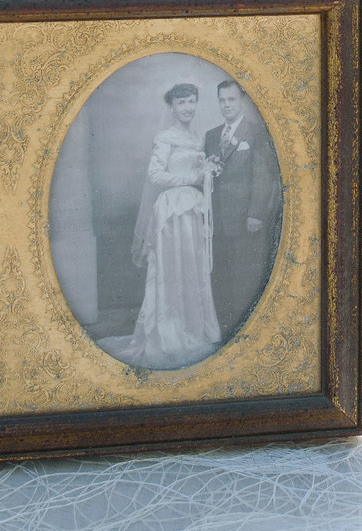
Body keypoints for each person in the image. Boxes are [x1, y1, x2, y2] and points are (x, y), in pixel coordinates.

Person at [111, 82, 224, 369]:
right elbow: (155, 176)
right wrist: (192, 178)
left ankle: (193, 329)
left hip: (193, 210)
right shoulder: (166, 137)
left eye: (191, 101)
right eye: (181, 103)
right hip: (173, 211)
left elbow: (198, 173)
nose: (187, 107)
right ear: (171, 108)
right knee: (171, 270)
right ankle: (169, 333)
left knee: (192, 269)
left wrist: (206, 172)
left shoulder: (198, 138)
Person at [204, 77, 281, 333]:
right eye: (222, 100)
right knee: (221, 277)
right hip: (217, 221)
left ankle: (245, 332)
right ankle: (225, 331)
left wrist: (256, 214)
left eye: (231, 99)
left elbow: (263, 175)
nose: (226, 105)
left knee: (244, 277)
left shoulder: (256, 132)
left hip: (246, 219)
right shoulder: (212, 136)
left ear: (243, 101)